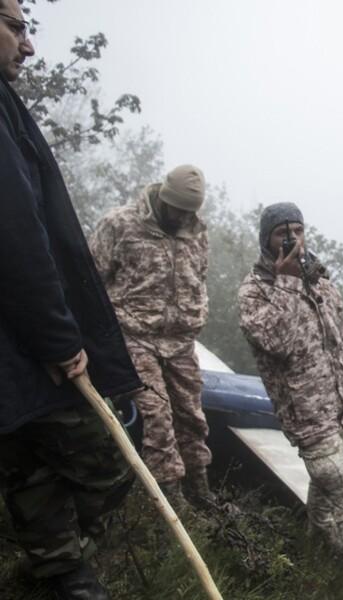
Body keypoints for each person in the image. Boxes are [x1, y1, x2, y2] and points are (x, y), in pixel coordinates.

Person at [0, 2, 141, 596]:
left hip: (16, 344)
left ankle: (58, 571)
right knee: (106, 456)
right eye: (16, 25)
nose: (29, 45)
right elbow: (16, 234)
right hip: (28, 343)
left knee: (28, 457)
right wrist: (60, 338)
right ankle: (58, 566)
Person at [238, 203, 343, 600]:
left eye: (297, 229)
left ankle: (314, 551)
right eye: (282, 233)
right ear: (267, 239)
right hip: (306, 417)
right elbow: (278, 343)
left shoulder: (323, 284)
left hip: (337, 406)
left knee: (326, 493)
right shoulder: (255, 291)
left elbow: (340, 341)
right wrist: (288, 282)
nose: (292, 238)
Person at [90, 165, 214, 509]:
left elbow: (199, 278)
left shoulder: (196, 232)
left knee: (192, 416)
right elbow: (90, 281)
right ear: (163, 197)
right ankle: (169, 500)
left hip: (180, 343)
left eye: (191, 211)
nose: (183, 217)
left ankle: (200, 490)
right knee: (156, 414)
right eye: (178, 209)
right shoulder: (120, 224)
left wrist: (197, 313)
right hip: (134, 337)